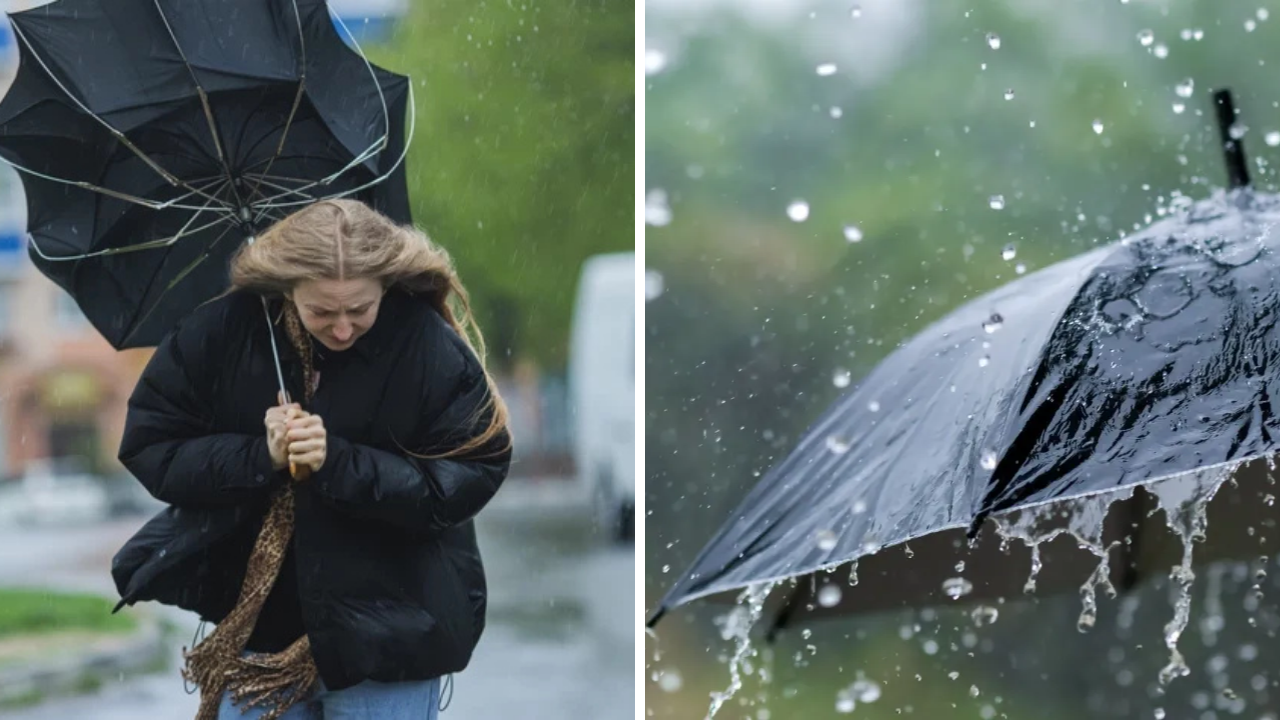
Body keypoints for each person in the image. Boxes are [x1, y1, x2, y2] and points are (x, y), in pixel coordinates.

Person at [109, 199, 513, 720]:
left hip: (389, 644)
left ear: (385, 286)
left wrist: (339, 463)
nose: (342, 328)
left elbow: (471, 474)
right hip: (257, 644)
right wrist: (262, 455)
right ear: (286, 289)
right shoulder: (220, 334)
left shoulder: (425, 345)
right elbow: (152, 447)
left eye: (359, 309)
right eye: (322, 311)